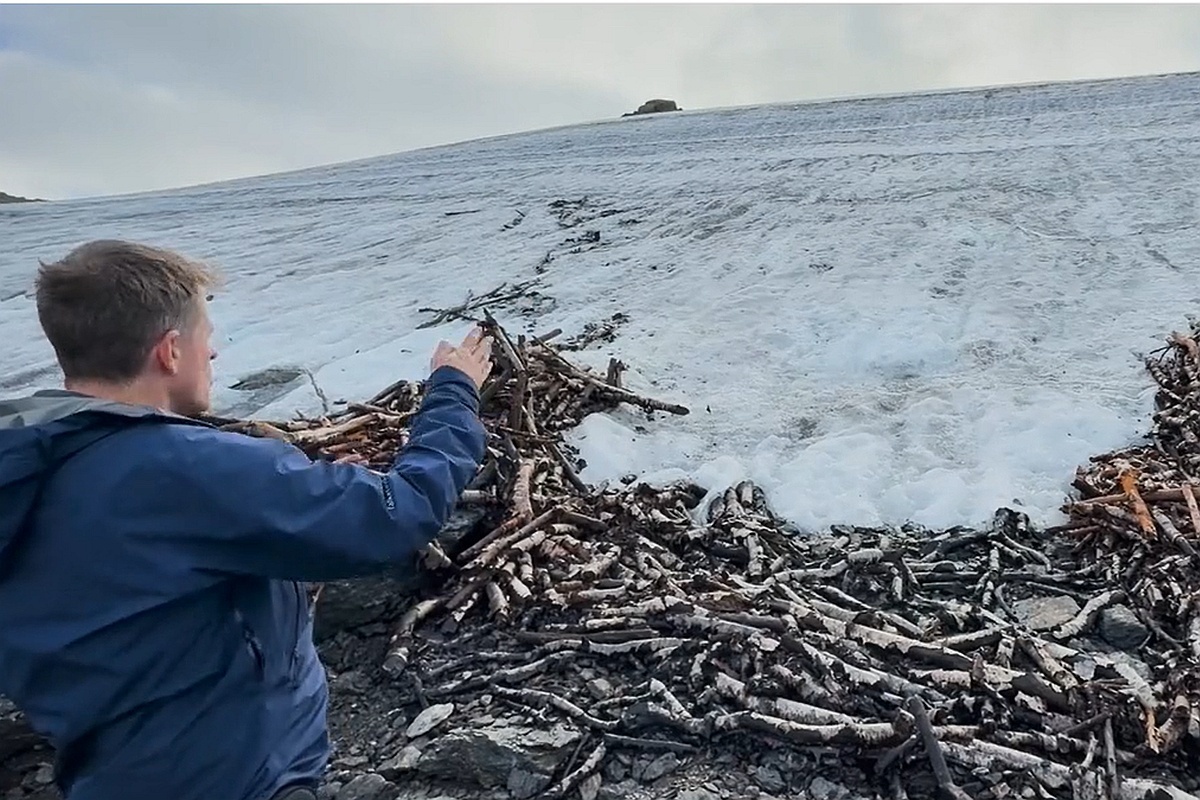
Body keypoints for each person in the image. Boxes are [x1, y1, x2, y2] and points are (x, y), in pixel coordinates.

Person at [0, 240, 493, 800]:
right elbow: (396, 515)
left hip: (109, 772)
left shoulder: (29, 466)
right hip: (234, 778)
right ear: (170, 353)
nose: (212, 355)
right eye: (205, 338)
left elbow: (134, 595)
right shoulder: (184, 469)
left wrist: (287, 515)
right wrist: (453, 394)